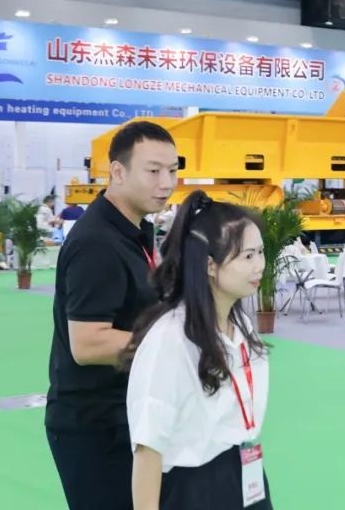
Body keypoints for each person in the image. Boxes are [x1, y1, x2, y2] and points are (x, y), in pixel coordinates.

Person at [45, 121, 179, 510]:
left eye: (172, 171)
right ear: (117, 172)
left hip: (131, 415)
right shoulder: (97, 243)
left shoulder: (136, 232)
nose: (166, 183)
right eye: (153, 171)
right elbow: (88, 343)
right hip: (96, 428)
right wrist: (178, 343)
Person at [122, 191, 272, 509]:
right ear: (210, 266)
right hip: (194, 490)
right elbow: (148, 451)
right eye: (247, 256)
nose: (259, 265)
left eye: (261, 252)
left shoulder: (241, 323)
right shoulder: (170, 340)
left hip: (244, 472)